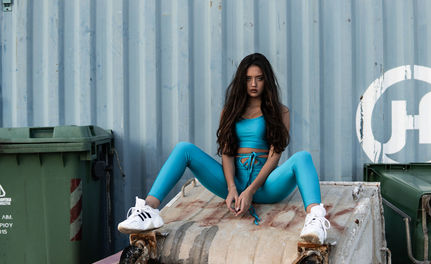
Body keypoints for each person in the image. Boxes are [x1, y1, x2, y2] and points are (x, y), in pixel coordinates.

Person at [118, 53, 331, 244]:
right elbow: (228, 153)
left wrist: (250, 191)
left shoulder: (280, 112)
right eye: (248, 79)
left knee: (302, 157)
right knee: (184, 148)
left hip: (266, 185)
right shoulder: (230, 111)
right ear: (241, 81)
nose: (253, 84)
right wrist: (232, 188)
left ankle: (315, 219)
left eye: (259, 78)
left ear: (267, 80)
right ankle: (149, 210)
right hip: (233, 183)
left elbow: (275, 156)